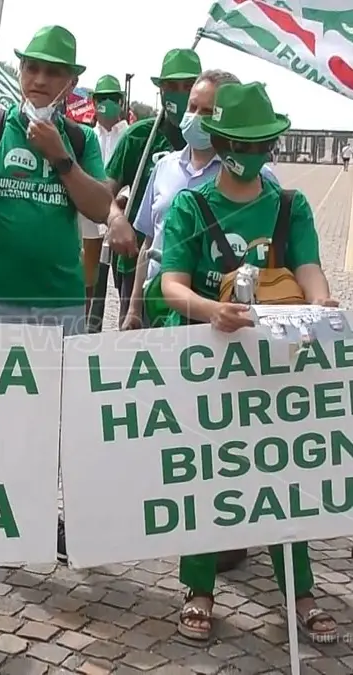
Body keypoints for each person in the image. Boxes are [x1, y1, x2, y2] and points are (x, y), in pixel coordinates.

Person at [159, 81, 338, 643]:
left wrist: (321, 301)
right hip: (207, 358)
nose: (255, 153)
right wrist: (213, 311)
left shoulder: (290, 205)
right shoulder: (193, 203)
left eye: (265, 143)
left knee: (287, 471)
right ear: (219, 140)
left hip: (273, 361)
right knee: (208, 475)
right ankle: (198, 589)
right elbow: (171, 285)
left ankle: (300, 590)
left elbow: (309, 270)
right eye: (243, 142)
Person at [0, 25, 111, 563]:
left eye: (52, 72)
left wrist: (61, 157)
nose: (38, 80)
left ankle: (43, 515)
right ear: (18, 70)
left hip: (58, 304)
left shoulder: (79, 141)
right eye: (31, 68)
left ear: (71, 82)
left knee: (54, 422)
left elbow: (101, 209)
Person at [122, 69, 276, 330]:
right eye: (192, 107)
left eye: (207, 111)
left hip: (223, 310)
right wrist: (134, 309)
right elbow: (149, 241)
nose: (194, 117)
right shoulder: (164, 167)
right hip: (160, 304)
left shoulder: (256, 177)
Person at [100, 48, 201, 331]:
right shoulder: (139, 137)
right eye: (172, 86)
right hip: (137, 266)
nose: (180, 94)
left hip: (198, 271)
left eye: (188, 86)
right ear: (160, 90)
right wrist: (116, 218)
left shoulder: (212, 140)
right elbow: (102, 192)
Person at [78, 74, 128, 316]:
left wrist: (122, 200)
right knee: (89, 284)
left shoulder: (131, 135)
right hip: (90, 221)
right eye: (101, 98)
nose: (106, 103)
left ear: (121, 101)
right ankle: (87, 331)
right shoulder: (86, 137)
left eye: (111, 98)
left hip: (122, 220)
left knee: (123, 285)